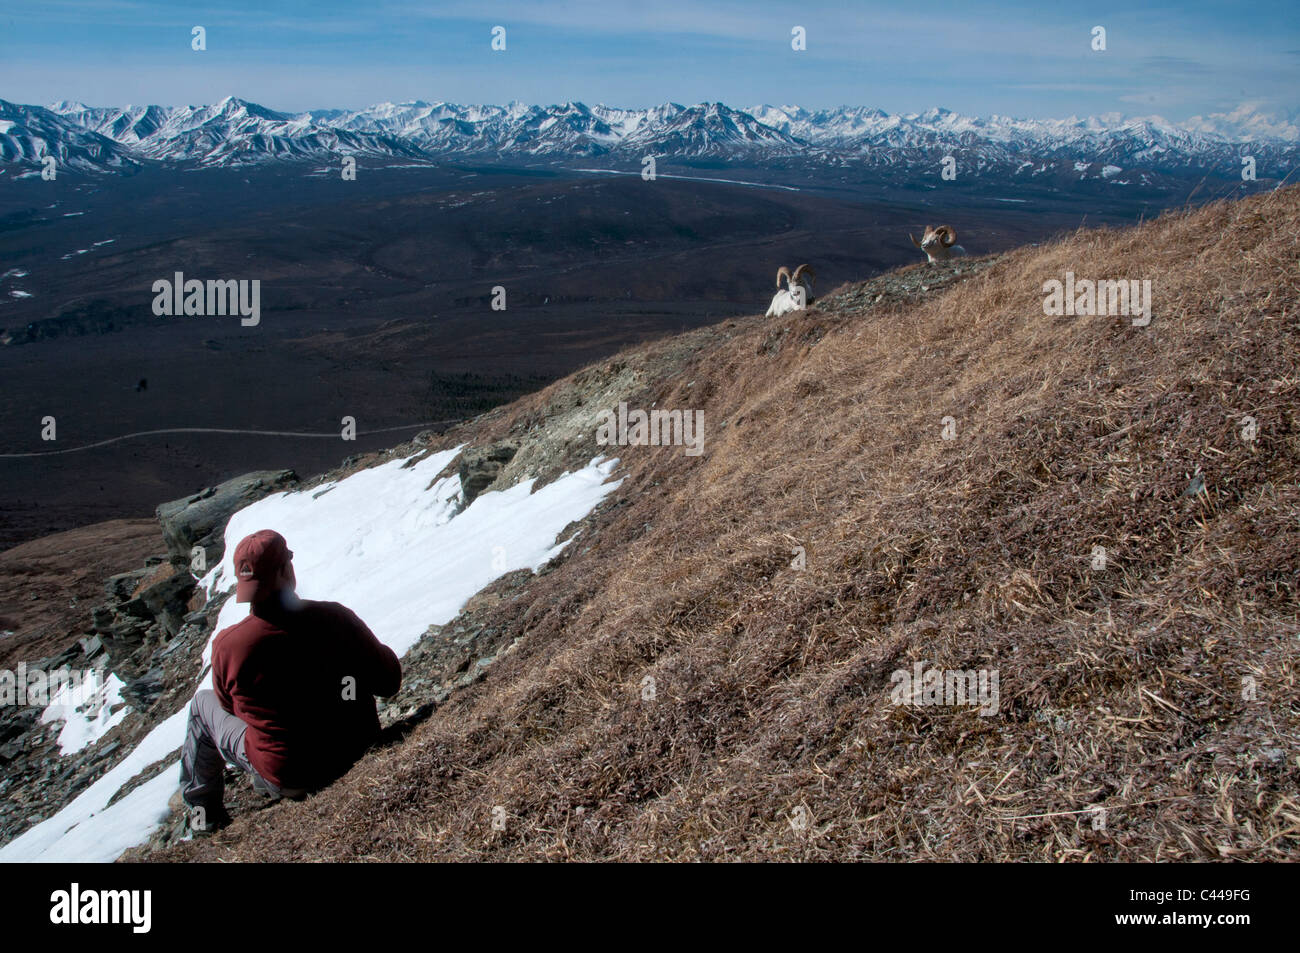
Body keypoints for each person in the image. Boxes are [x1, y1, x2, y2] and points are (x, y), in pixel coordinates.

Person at [176, 529, 401, 833]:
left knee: (203, 705)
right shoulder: (335, 618)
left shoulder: (229, 646)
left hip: (290, 778)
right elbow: (389, 683)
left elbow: (230, 707)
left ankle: (204, 819)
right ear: (284, 571)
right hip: (357, 750)